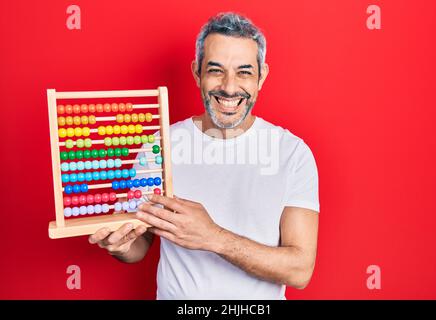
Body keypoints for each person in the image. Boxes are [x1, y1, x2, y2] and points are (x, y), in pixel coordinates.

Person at [88, 12, 320, 300]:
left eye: (244, 71)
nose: (230, 86)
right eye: (215, 70)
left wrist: (213, 237)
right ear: (197, 73)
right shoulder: (161, 145)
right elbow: (141, 244)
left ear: (262, 77)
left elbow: (300, 270)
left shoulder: (293, 154)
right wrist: (121, 247)